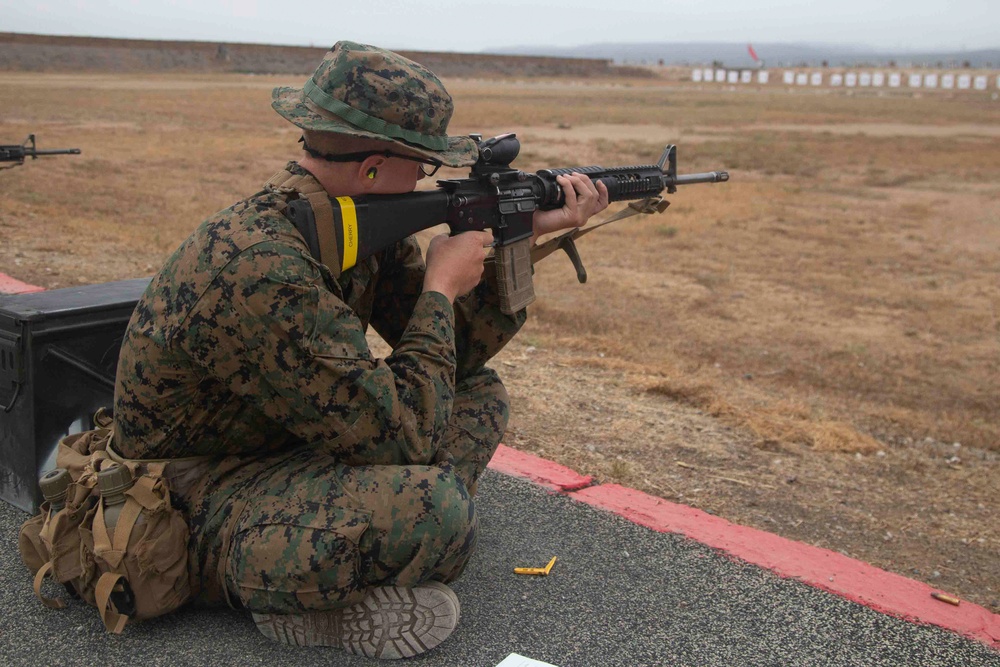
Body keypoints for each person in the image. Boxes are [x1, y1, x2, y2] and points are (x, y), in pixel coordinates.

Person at [112, 40, 608, 660]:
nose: (427, 180)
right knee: (435, 508)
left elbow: (460, 354)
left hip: (284, 446)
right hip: (190, 497)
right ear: (373, 168)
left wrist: (517, 239)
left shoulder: (349, 226)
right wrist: (439, 285)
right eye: (423, 167)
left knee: (476, 393)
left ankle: (364, 550)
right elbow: (401, 436)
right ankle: (289, 591)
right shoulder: (259, 263)